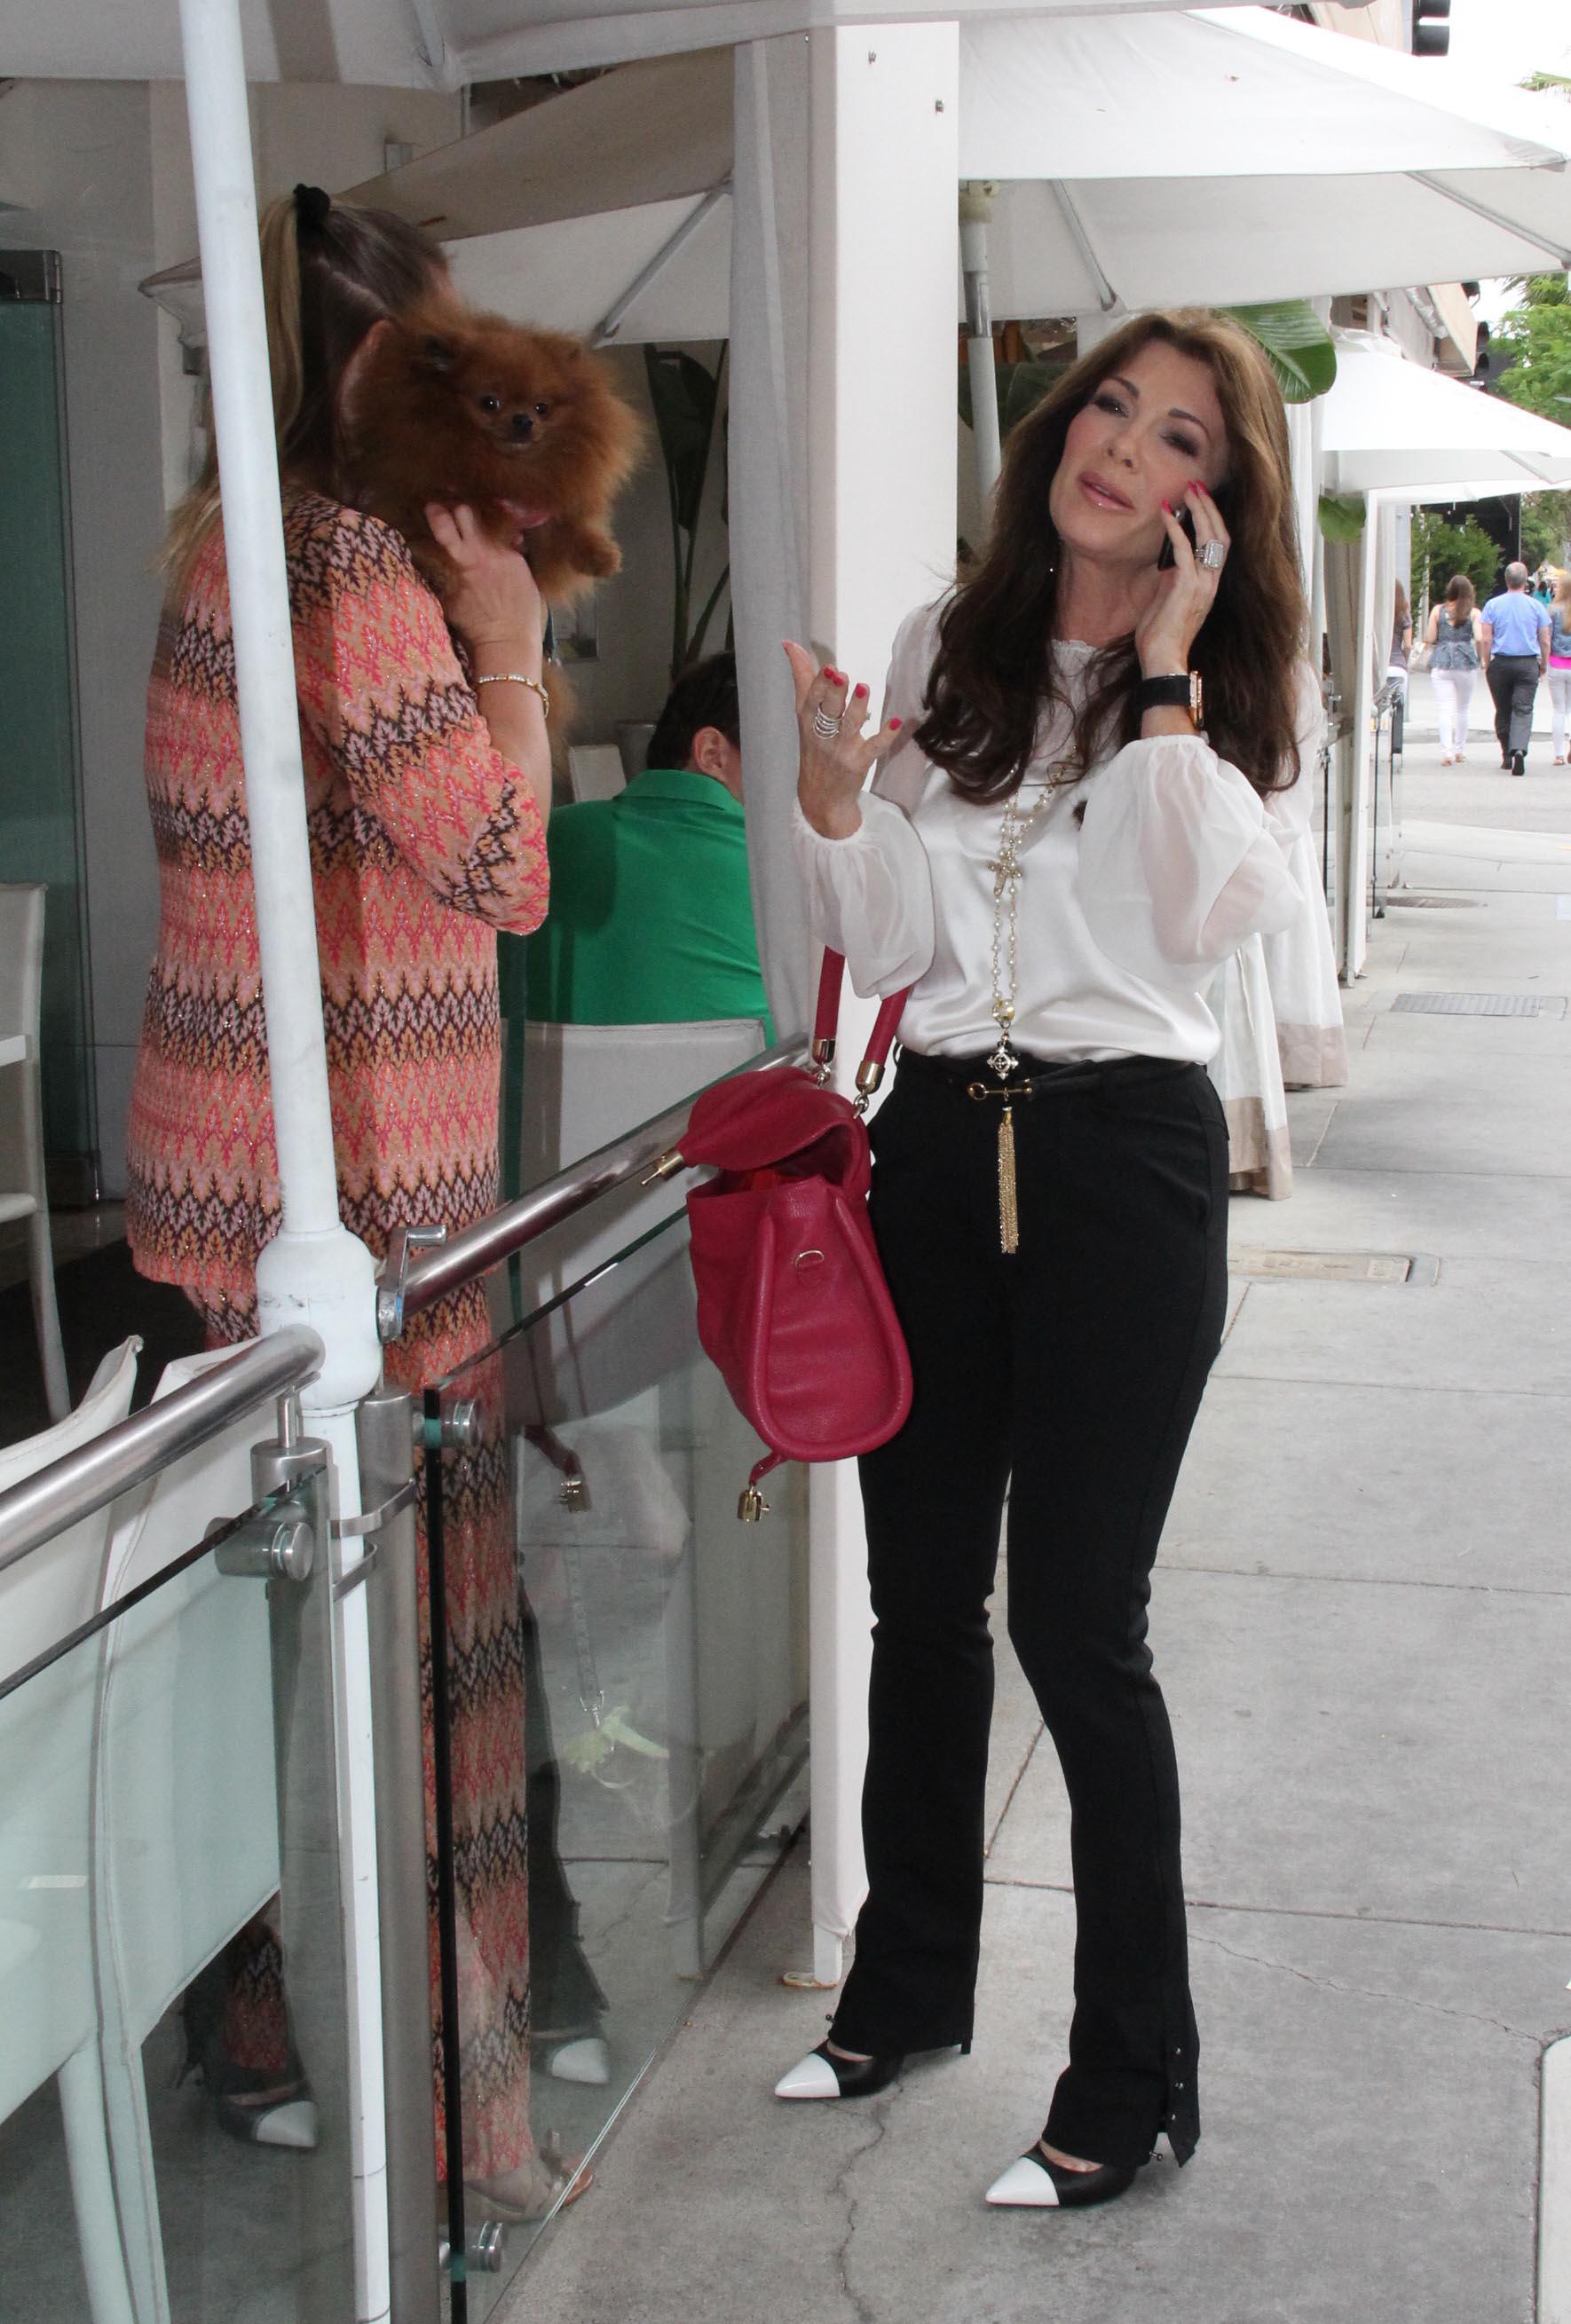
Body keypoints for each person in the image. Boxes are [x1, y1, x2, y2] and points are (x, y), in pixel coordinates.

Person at [777, 308, 1314, 2211]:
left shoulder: (1237, 694)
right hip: (937, 1147)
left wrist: (1162, 678)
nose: (1122, 448)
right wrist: (835, 804)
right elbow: (896, 944)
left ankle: (1129, 2068)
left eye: (1178, 438)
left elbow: (1201, 918)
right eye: (1111, 406)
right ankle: (904, 1986)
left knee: (1082, 1620)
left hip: (1120, 1166)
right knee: (920, 1596)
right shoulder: (950, 642)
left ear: (1212, 505)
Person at [124, 185, 581, 2222]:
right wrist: (518, 655)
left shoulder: (221, 545)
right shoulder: (351, 567)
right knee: (428, 1675)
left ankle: (255, 2033)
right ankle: (466, 2129)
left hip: (223, 1191)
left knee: (275, 1653)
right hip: (373, 1224)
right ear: (384, 363)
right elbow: (504, 870)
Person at [517, 652, 775, 1040]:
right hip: (738, 1082)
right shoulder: (782, 874)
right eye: (790, 757)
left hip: (534, 1081)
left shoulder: (537, 839)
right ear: (711, 754)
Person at [1480, 560, 1550, 776]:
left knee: (1503, 709)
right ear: (1525, 581)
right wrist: (1543, 664)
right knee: (1523, 709)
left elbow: (1486, 639)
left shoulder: (1492, 605)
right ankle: (1519, 748)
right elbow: (1545, 639)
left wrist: (1487, 662)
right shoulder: (1536, 606)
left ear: (1506, 580)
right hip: (1528, 663)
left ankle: (1506, 754)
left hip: (1500, 663)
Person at [1425, 572, 1484, 766]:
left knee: (1444, 709)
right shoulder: (1474, 613)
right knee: (1463, 709)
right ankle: (1459, 750)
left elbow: (1430, 638)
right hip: (1465, 662)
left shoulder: (1437, 611)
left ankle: (1447, 752)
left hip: (1442, 661)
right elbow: (1479, 638)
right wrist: (1480, 658)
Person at [1547, 573, 1571, 766]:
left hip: (1556, 664)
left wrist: (1543, 661)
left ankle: (1559, 754)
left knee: (1559, 710)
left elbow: (1547, 638)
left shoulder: (1553, 610)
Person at [1386, 580, 1413, 708]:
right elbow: (1408, 646)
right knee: (1399, 708)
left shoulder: (1377, 615)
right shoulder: (1404, 617)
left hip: (1379, 668)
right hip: (1398, 666)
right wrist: (1404, 660)